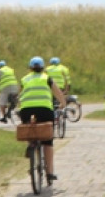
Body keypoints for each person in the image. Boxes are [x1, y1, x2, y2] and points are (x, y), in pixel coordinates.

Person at [19, 56, 68, 184]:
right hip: (45, 109)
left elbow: (19, 96)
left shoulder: (24, 79)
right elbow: (58, 93)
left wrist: (18, 105)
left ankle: (31, 145)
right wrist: (63, 104)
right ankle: (50, 172)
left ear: (30, 68)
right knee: (47, 141)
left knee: (30, 130)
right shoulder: (47, 78)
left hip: (26, 110)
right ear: (43, 68)